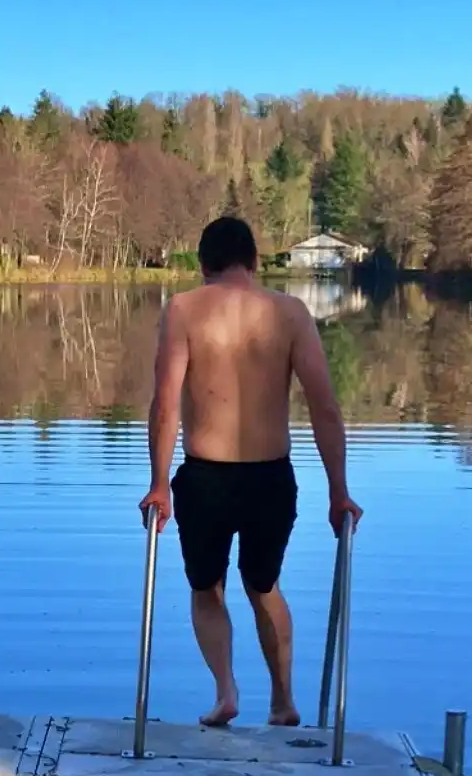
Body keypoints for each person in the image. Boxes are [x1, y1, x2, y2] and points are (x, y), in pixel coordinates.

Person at [139, 216, 363, 728]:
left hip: (205, 476)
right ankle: (284, 701)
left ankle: (226, 691)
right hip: (270, 477)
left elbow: (165, 404)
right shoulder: (289, 312)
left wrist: (158, 482)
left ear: (203, 264)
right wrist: (339, 493)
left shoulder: (184, 310)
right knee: (264, 585)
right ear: (255, 262)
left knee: (206, 587)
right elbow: (324, 407)